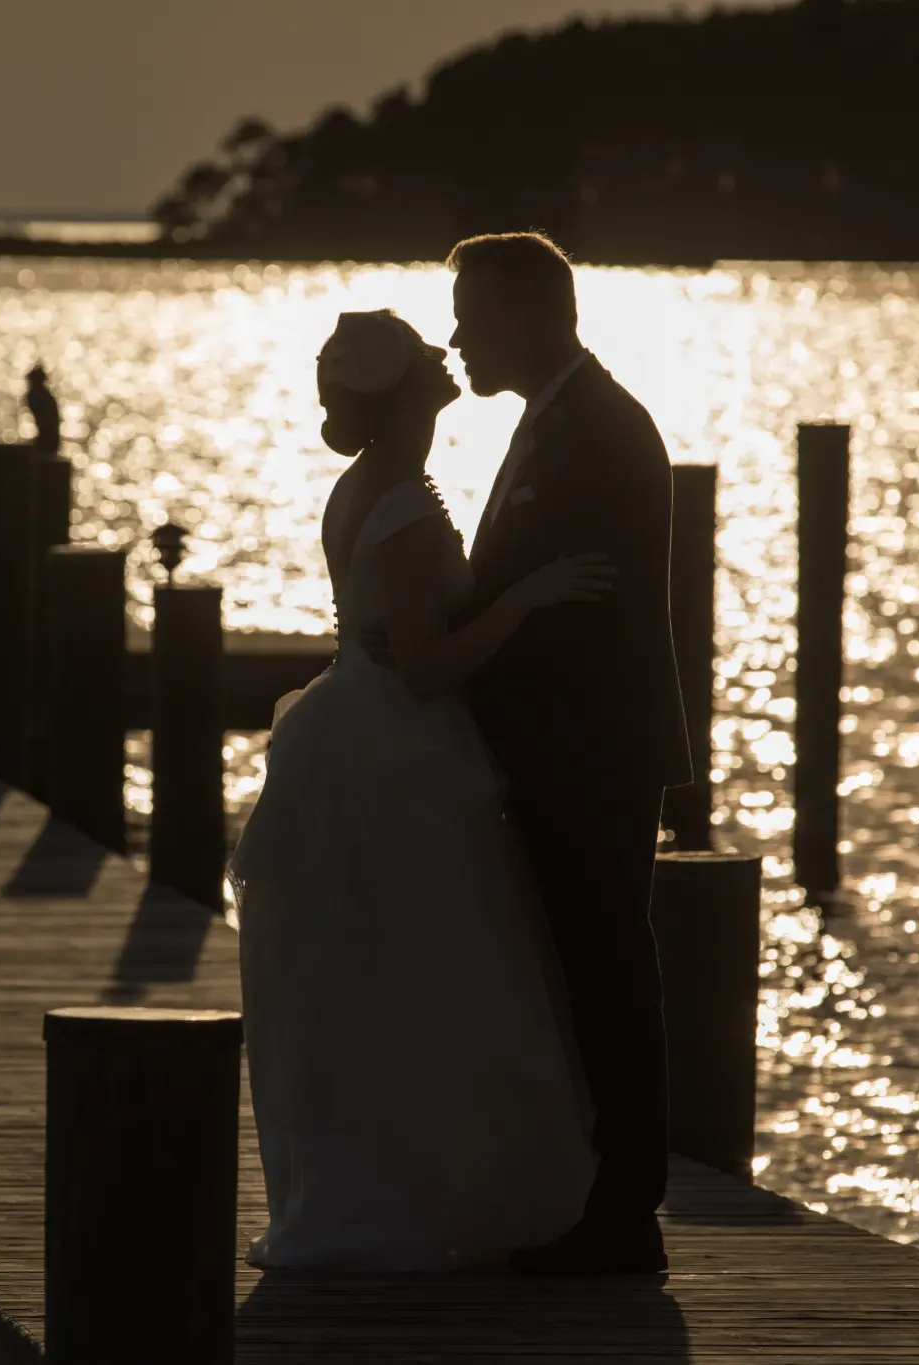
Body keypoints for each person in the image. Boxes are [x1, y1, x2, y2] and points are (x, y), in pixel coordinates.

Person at [229, 309, 607, 1271]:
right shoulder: (397, 503)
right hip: (398, 752)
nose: (446, 356)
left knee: (379, 974)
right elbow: (427, 669)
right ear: (404, 390)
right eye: (425, 353)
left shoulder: (371, 488)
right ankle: (408, 1199)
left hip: (364, 733)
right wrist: (529, 595)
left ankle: (400, 1187)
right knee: (428, 973)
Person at [449, 232, 691, 1275]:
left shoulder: (599, 430)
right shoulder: (560, 423)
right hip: (560, 751)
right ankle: (596, 1189)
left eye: (473, 313)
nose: (458, 335)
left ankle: (624, 1207)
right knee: (583, 967)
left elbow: (581, 620)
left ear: (527, 315)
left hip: (588, 752)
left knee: (604, 968)